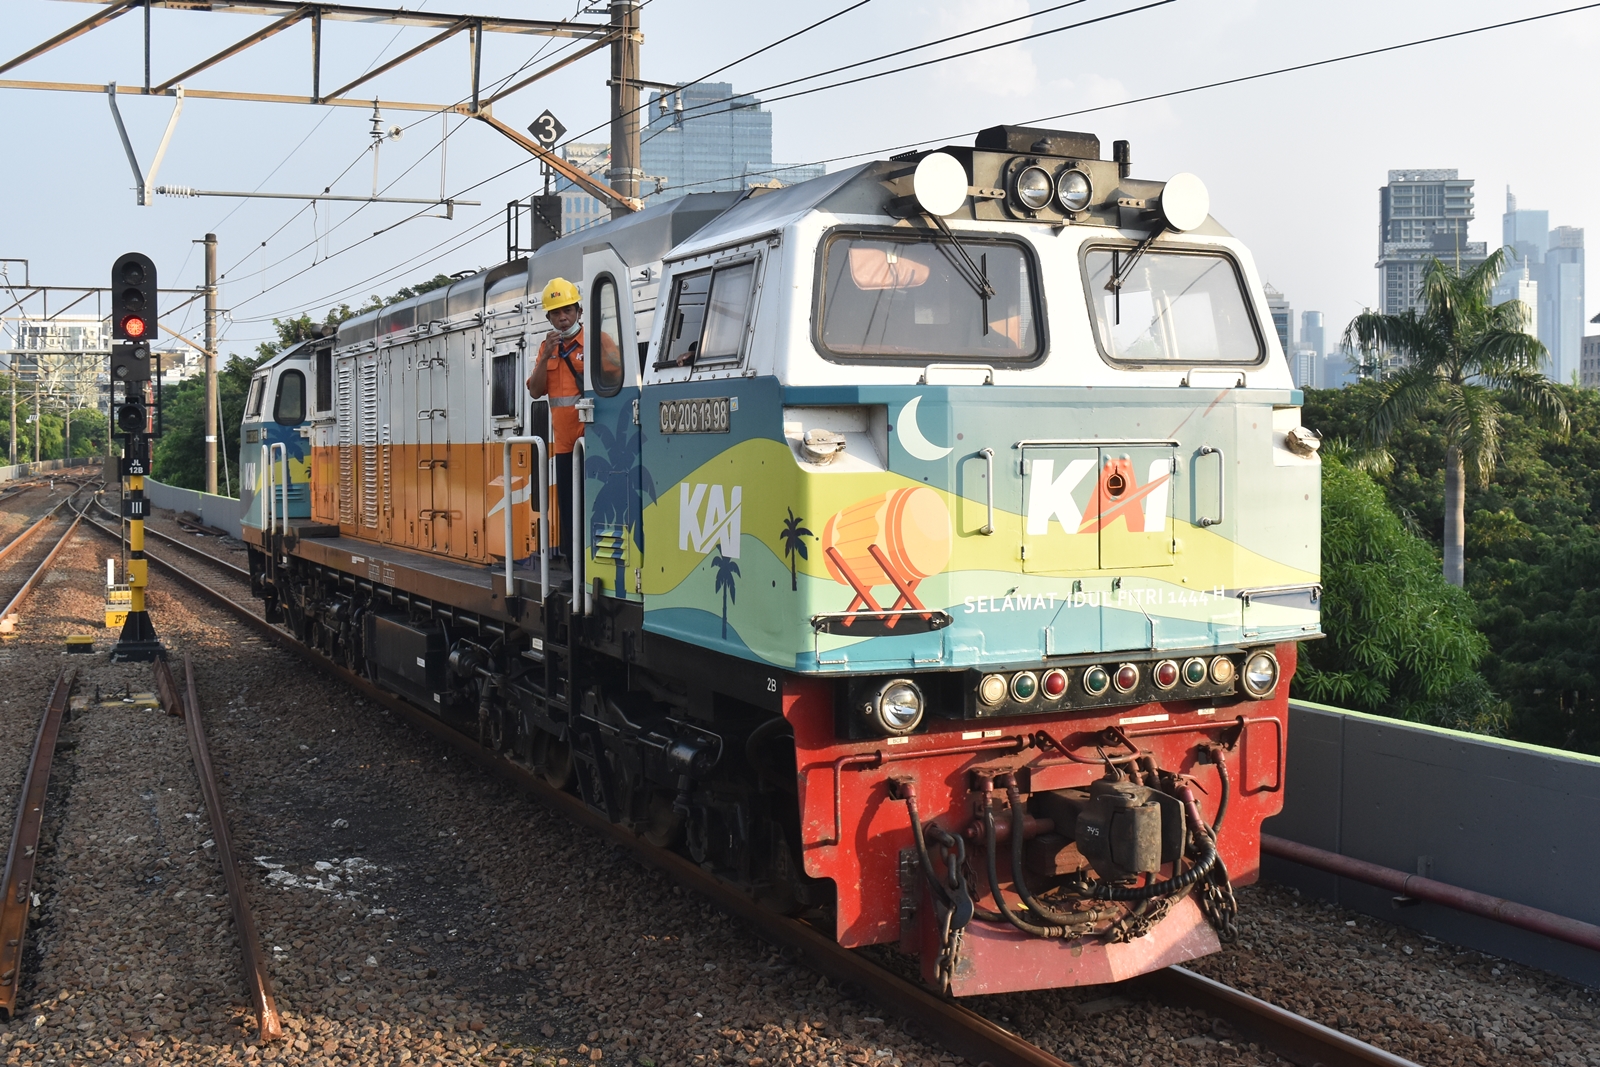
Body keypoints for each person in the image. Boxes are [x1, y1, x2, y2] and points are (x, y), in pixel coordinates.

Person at [524, 277, 620, 557]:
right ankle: (574, 568)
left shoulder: (598, 340)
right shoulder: (547, 348)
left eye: (567, 310)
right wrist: (545, 357)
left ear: (579, 311)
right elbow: (535, 391)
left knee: (598, 505)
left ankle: (596, 565)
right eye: (556, 313)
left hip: (595, 442)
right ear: (549, 318)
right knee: (568, 509)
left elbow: (619, 378)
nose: (562, 318)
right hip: (565, 446)